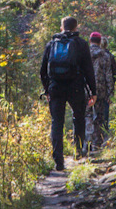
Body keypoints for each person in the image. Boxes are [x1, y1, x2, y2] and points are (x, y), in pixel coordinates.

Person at [40, 16, 96, 171]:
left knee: (56, 123)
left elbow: (42, 71)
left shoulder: (51, 44)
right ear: (76, 27)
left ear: (61, 27)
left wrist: (47, 89)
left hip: (55, 87)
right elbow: (88, 70)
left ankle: (58, 161)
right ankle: (78, 152)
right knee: (78, 118)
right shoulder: (81, 44)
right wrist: (93, 91)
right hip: (76, 87)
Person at [89, 32, 114, 143]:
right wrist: (110, 93)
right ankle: (97, 142)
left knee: (87, 116)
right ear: (100, 42)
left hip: (86, 90)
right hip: (101, 90)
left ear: (90, 41)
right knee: (99, 116)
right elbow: (109, 76)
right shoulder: (105, 55)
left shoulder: (83, 53)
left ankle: (86, 143)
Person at [101, 36, 116, 134]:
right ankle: (104, 130)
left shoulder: (91, 54)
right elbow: (114, 73)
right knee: (105, 108)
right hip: (106, 87)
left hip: (93, 87)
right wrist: (111, 89)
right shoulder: (110, 56)